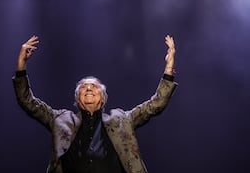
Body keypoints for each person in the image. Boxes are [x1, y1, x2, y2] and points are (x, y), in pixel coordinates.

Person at [12, 35, 177, 173]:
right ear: (78, 98)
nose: (89, 87)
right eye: (83, 86)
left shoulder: (121, 119)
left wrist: (168, 69)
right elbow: (27, 101)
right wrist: (21, 65)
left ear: (103, 98)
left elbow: (155, 105)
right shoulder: (60, 119)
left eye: (94, 86)